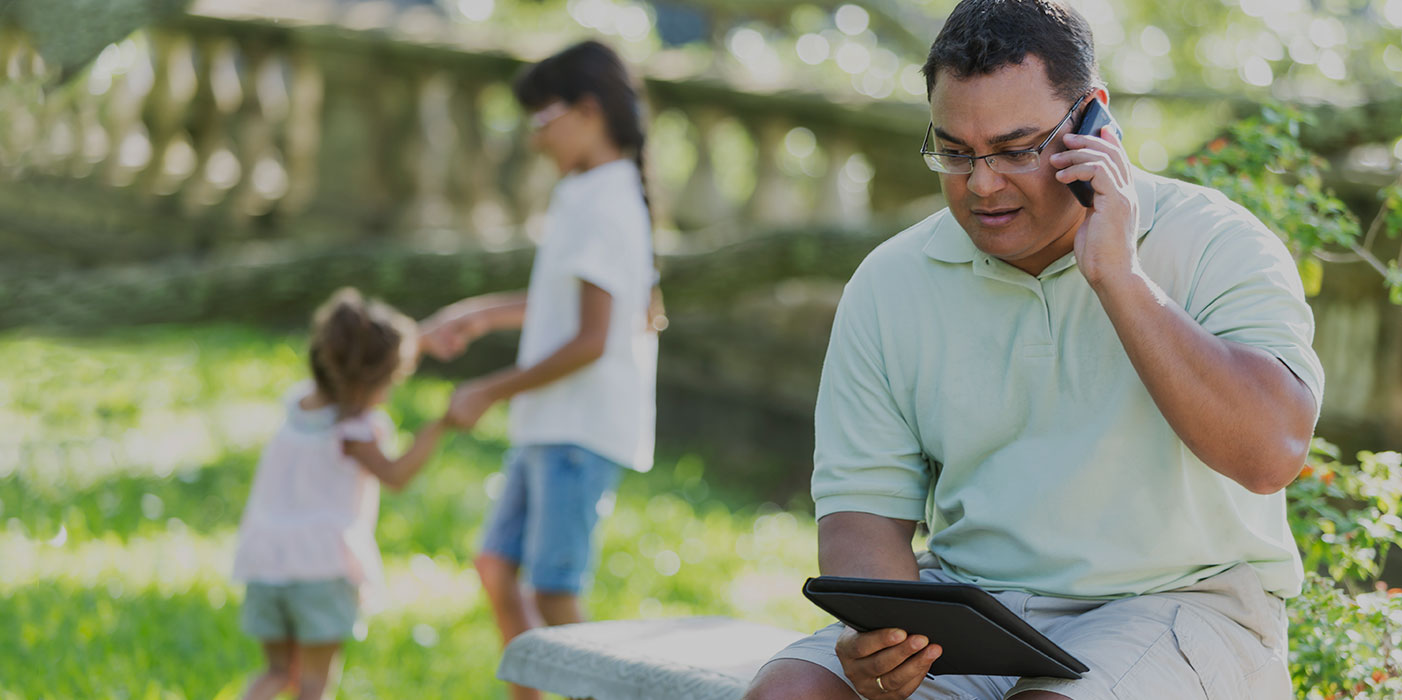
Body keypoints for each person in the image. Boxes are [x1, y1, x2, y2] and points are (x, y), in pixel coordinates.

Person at [742, 1, 1324, 698]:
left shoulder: (1217, 243)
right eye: (955, 152)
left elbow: (1270, 454)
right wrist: (884, 636)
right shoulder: (892, 281)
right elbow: (863, 509)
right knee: (792, 694)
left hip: (1184, 604)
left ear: (1092, 121)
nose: (982, 184)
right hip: (972, 607)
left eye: (1017, 149)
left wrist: (1118, 275)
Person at [420, 40, 659, 700]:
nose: (535, 140)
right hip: (549, 425)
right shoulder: (583, 193)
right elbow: (566, 304)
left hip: (577, 431)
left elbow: (591, 339)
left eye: (540, 120)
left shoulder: (611, 203)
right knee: (497, 566)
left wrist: (487, 391)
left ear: (587, 111)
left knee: (554, 591)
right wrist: (481, 316)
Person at [231, 288, 448, 700]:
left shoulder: (296, 405)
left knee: (277, 673)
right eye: (392, 380)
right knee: (313, 684)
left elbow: (356, 356)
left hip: (264, 562)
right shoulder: (355, 432)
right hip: (321, 567)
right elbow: (397, 476)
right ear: (372, 380)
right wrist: (440, 426)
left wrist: (416, 339)